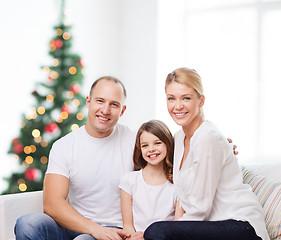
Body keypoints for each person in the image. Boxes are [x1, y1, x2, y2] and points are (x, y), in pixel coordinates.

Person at [143, 68, 269, 240]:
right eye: (171, 98)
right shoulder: (178, 138)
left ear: (201, 101)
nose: (177, 106)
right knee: (158, 231)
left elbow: (199, 208)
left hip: (241, 225)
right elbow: (182, 197)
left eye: (186, 98)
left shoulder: (207, 137)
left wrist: (170, 231)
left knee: (156, 232)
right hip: (210, 225)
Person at [14, 76, 136, 240]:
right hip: (76, 225)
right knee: (27, 223)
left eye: (114, 104)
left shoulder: (135, 142)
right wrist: (94, 229)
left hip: (116, 231)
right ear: (88, 101)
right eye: (100, 101)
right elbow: (52, 204)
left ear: (122, 110)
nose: (105, 110)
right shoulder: (64, 146)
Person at [119, 120, 180, 240]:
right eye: (145, 145)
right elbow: (127, 226)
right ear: (139, 149)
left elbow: (177, 228)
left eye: (157, 143)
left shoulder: (177, 184)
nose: (151, 149)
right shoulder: (129, 181)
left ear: (168, 144)